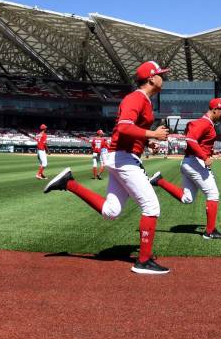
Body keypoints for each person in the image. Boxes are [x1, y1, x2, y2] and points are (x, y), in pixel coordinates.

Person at [43, 61, 171, 274]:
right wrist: (153, 134)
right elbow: (123, 127)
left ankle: (69, 183)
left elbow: (131, 130)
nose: (163, 79)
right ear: (151, 78)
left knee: (112, 211)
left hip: (123, 156)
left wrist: (149, 143)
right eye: (161, 75)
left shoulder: (144, 100)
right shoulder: (136, 98)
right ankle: (143, 261)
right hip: (123, 158)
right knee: (151, 206)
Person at [150, 97, 221, 239]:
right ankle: (210, 231)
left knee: (187, 198)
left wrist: (210, 152)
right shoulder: (204, 122)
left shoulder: (208, 123)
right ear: (215, 109)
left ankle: (159, 181)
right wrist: (205, 157)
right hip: (195, 162)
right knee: (213, 194)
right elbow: (191, 140)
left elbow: (199, 143)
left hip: (190, 162)